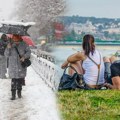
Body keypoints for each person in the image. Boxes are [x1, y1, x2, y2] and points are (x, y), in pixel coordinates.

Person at [4, 34, 31, 100]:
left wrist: (24, 57)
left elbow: (29, 52)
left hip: (20, 65)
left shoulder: (24, 44)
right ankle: (13, 95)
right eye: (14, 39)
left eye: (16, 39)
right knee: (13, 80)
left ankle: (19, 93)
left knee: (19, 80)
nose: (15, 41)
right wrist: (8, 48)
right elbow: (6, 55)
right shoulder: (10, 45)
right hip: (12, 65)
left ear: (19, 38)